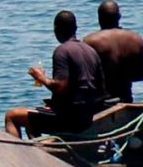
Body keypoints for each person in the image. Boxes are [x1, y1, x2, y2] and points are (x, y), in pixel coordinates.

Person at [7, 10, 105, 139]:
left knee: (12, 116)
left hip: (68, 121)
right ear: (75, 28)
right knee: (32, 118)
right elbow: (100, 90)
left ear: (56, 30)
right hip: (86, 117)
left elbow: (60, 87)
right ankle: (39, 151)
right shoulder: (91, 51)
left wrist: (41, 78)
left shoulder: (62, 51)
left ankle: (16, 156)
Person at [83, 0, 143, 107]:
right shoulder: (136, 39)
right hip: (126, 100)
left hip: (100, 104)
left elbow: (85, 79)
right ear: (119, 17)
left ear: (99, 18)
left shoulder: (90, 41)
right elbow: (140, 76)